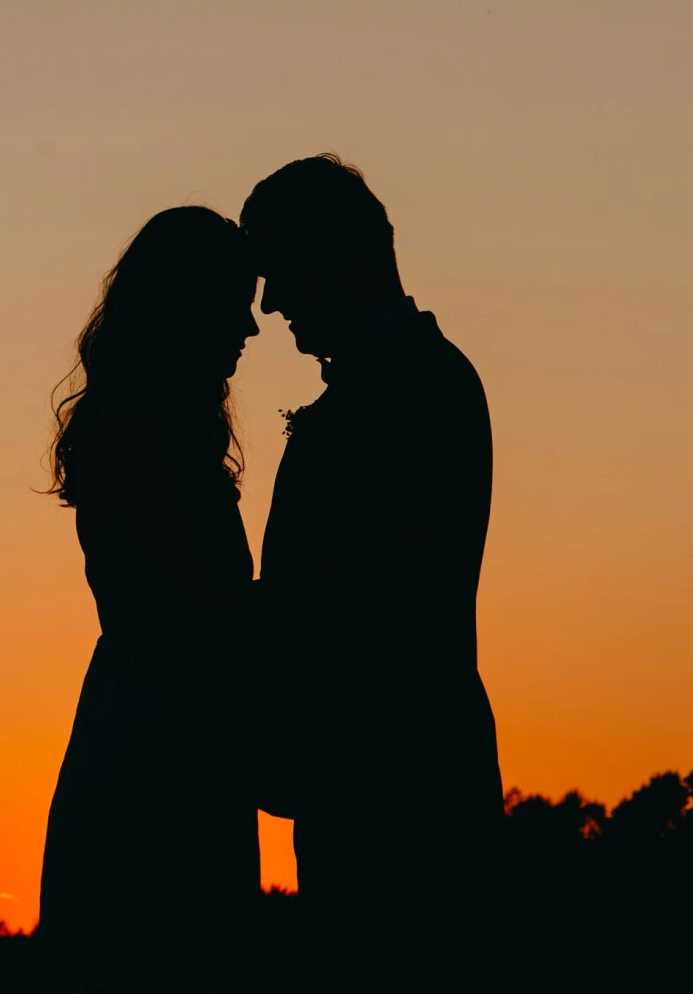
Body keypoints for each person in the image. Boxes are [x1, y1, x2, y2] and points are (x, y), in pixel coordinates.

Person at [241, 155, 502, 970]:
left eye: (278, 272)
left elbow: (403, 577)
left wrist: (237, 608)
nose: (269, 303)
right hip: (355, 785)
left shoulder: (423, 383)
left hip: (403, 790)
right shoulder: (388, 383)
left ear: (343, 250)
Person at [38, 206, 264, 993]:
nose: (252, 325)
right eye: (235, 301)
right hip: (158, 742)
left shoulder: (150, 429)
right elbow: (200, 609)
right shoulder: (134, 434)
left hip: (176, 731)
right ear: (187, 305)